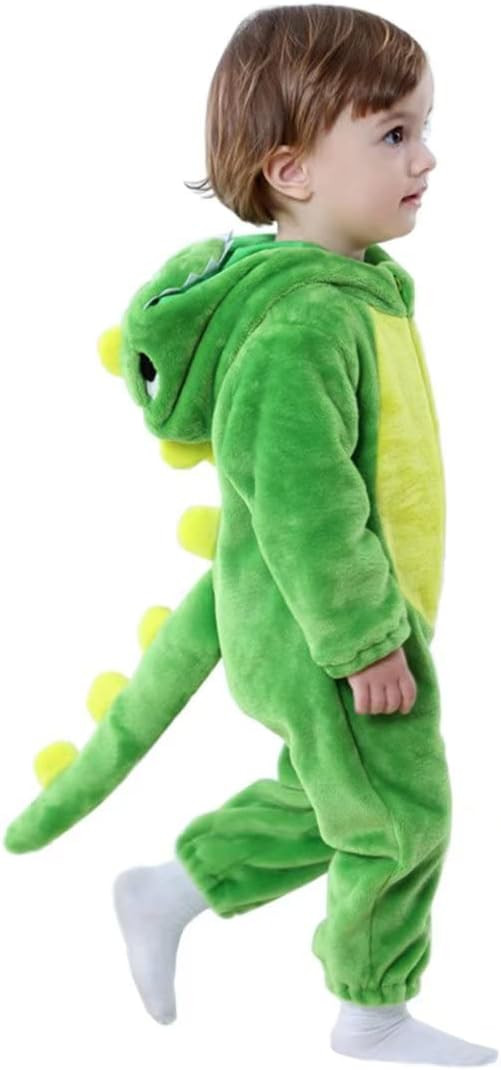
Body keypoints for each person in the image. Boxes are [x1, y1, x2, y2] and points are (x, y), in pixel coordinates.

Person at [84, 5, 500, 1064]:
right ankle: (372, 1015)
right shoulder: (302, 325)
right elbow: (305, 501)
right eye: (393, 134)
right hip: (329, 620)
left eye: (424, 128)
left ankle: (170, 887)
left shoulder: (356, 293)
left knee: (337, 798)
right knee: (401, 811)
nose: (426, 157)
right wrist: (363, 640)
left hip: (346, 609)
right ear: (292, 170)